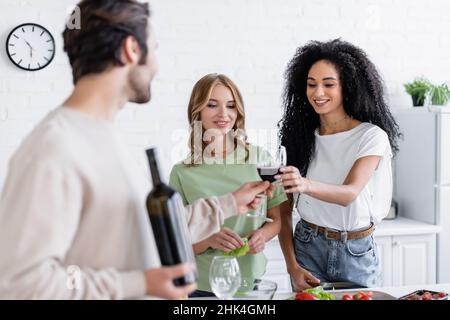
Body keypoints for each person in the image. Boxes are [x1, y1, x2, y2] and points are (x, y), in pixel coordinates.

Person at [0, 0, 274, 300]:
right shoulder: (53, 151)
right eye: (154, 49)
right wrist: (140, 284)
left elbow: (145, 230)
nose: (156, 65)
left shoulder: (103, 140)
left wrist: (229, 204)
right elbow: (21, 284)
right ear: (132, 49)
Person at [277, 39, 402, 290]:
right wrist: (292, 266)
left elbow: (349, 193)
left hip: (355, 251)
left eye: (328, 84)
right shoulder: (299, 137)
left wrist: (304, 184)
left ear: (348, 87)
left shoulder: (371, 136)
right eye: (311, 84)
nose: (318, 93)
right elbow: (283, 209)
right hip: (307, 246)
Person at [169, 73, 288, 297]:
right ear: (197, 111)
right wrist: (208, 239)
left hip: (250, 279)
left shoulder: (260, 159)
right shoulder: (182, 172)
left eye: (231, 106)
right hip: (203, 285)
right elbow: (176, 241)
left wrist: (262, 236)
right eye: (212, 105)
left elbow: (277, 219)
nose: (224, 114)